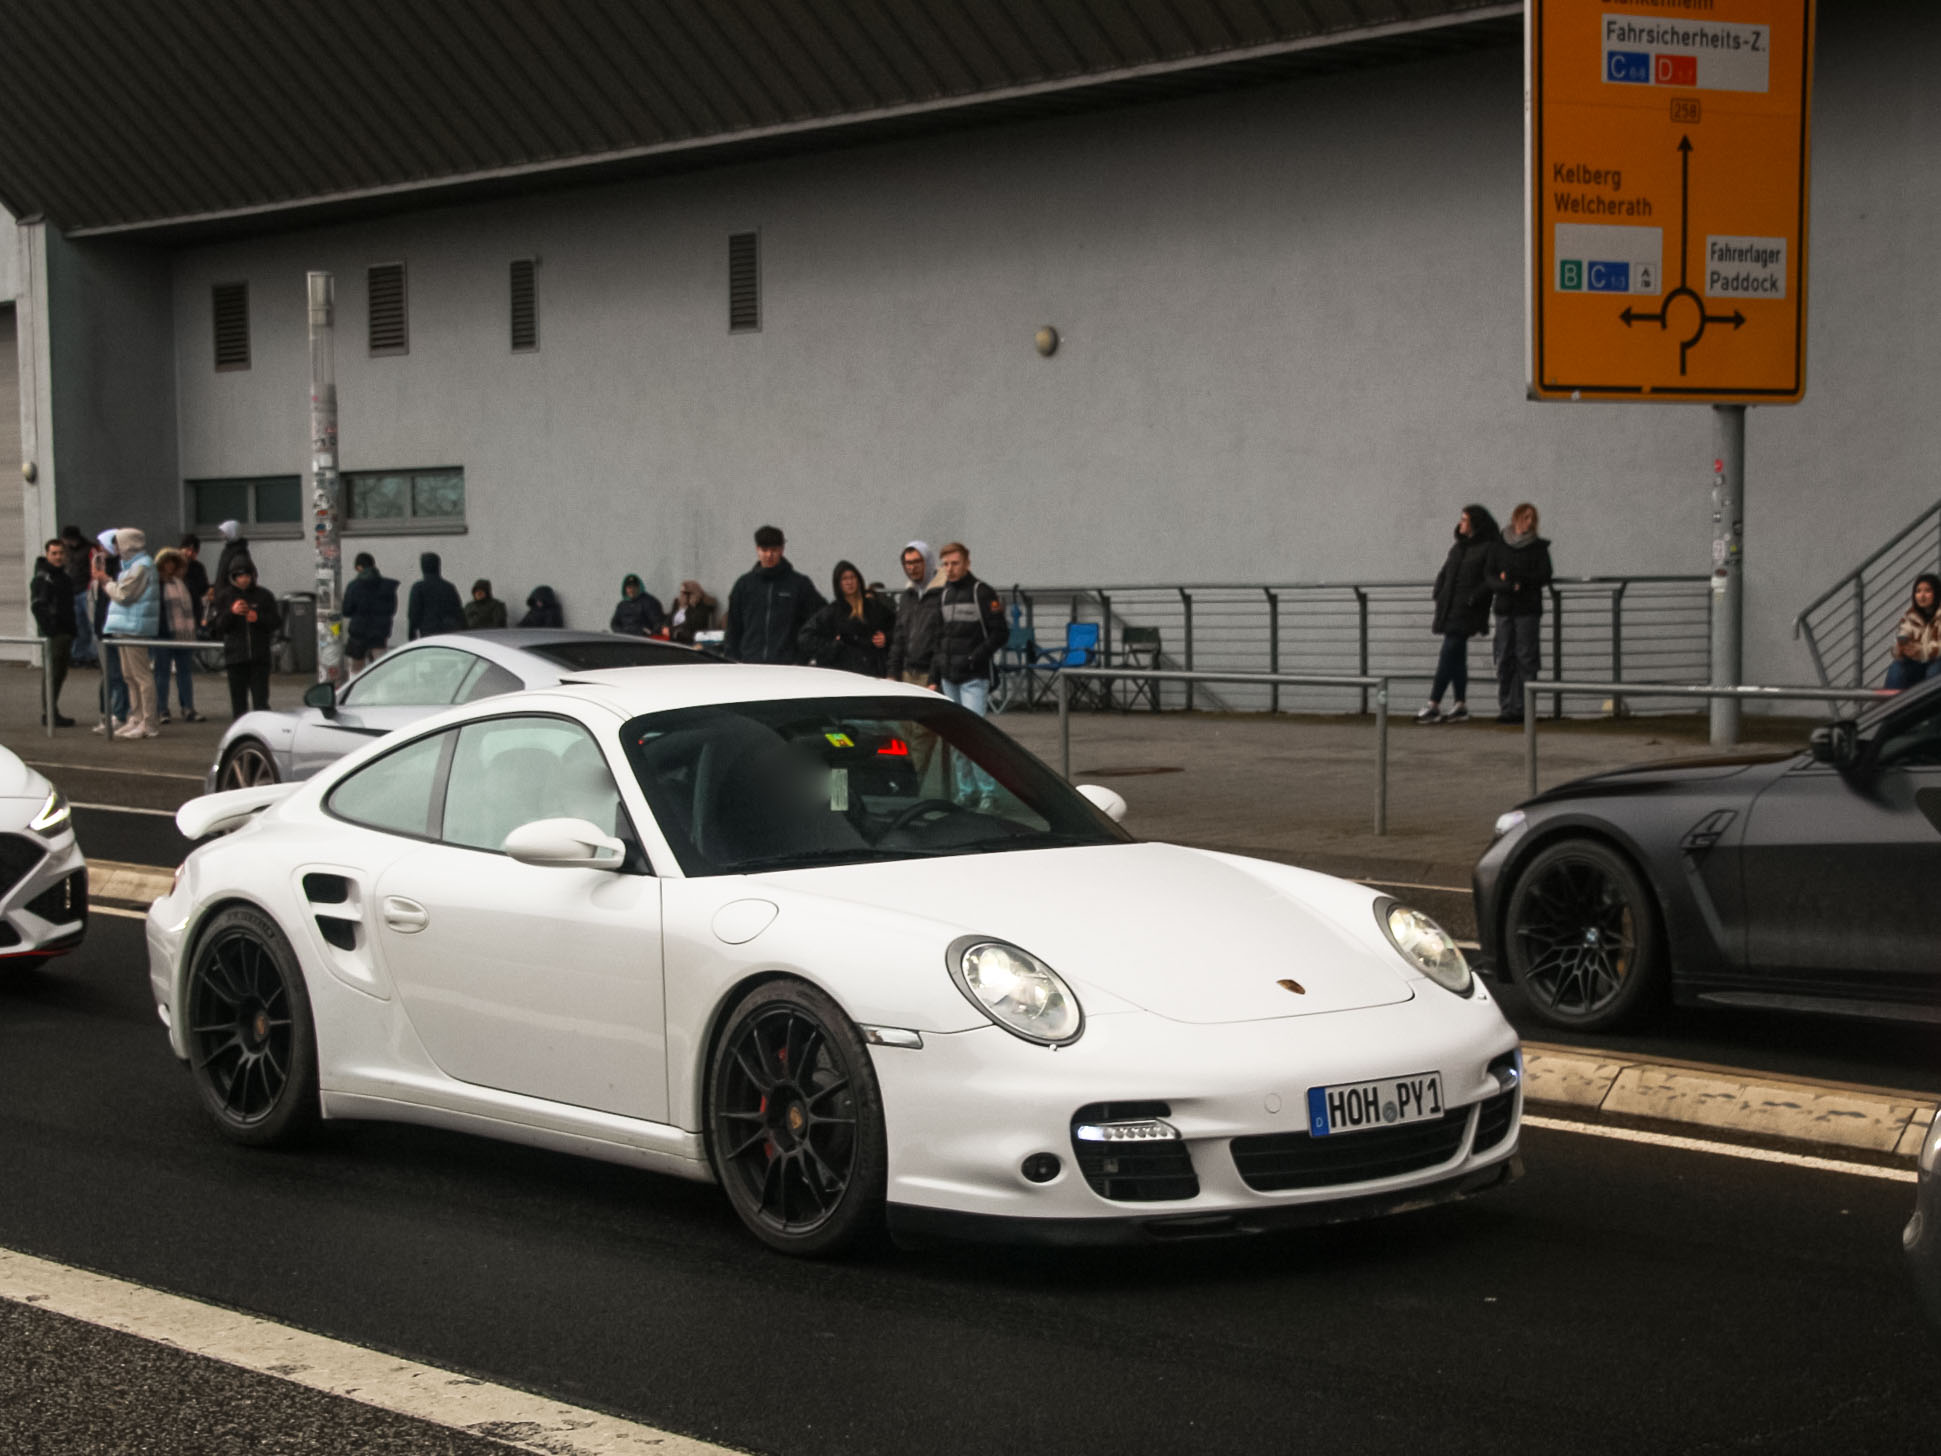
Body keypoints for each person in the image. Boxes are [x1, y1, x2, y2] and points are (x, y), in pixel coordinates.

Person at [930, 542, 1008, 805]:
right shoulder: (943, 595)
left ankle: (988, 792)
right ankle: (966, 791)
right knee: (956, 738)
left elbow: (1000, 632)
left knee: (975, 736)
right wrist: (935, 675)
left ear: (967, 563)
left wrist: (975, 657)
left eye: (955, 563)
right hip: (949, 676)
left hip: (974, 677)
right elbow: (939, 638)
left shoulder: (981, 592)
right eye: (946, 564)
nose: (950, 569)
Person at [1418, 505, 1500, 724]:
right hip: (1450, 607)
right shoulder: (1458, 547)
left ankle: (1434, 703)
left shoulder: (1488, 548)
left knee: (1448, 652)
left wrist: (1474, 598)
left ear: (1474, 523)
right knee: (1456, 656)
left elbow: (1489, 578)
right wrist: (1439, 592)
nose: (1460, 523)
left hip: (1467, 609)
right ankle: (1460, 704)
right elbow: (1445, 572)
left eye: (1465, 519)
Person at [1487, 502, 1555, 723]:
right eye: (1526, 517)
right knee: (1505, 656)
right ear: (1516, 518)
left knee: (1526, 658)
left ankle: (1524, 708)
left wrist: (1519, 579)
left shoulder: (1538, 547)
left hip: (1527, 608)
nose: (1529, 522)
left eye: (1532, 518)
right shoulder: (1499, 546)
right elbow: (1489, 575)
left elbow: (1545, 574)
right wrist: (1506, 584)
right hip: (1505, 607)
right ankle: (1507, 707)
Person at [723, 525, 825, 664]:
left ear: (782, 550)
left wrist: (802, 657)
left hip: (787, 665)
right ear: (757, 550)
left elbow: (819, 620)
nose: (769, 555)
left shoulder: (799, 584)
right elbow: (733, 627)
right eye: (764, 550)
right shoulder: (744, 585)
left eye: (774, 550)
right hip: (750, 664)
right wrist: (732, 660)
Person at [97, 527, 162, 739]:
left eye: (117, 542)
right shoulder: (131, 566)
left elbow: (125, 594)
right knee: (129, 675)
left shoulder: (142, 566)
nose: (114, 547)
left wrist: (106, 582)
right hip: (125, 627)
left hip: (135, 627)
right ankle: (136, 717)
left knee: (141, 676)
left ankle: (149, 722)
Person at [800, 560, 895, 676]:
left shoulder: (874, 607)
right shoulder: (832, 612)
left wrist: (886, 637)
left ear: (859, 580)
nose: (849, 582)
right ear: (838, 583)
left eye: (852, 577)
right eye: (844, 579)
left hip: (873, 672)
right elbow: (806, 637)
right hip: (844, 674)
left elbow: (898, 628)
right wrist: (833, 646)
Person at [212, 558, 280, 716]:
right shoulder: (225, 597)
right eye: (240, 576)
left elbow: (276, 622)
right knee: (238, 703)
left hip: (259, 657)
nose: (244, 580)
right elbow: (218, 627)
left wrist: (258, 618)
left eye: (247, 576)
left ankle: (261, 727)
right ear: (233, 577)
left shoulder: (264, 595)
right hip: (235, 658)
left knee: (260, 702)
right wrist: (232, 612)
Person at [150, 547, 204, 723]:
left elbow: (196, 606)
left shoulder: (185, 584)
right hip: (162, 633)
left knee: (185, 672)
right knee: (162, 673)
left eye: (173, 562)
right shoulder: (155, 585)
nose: (170, 566)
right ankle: (162, 709)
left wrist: (195, 625)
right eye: (167, 562)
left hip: (183, 634)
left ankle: (188, 707)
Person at [30, 539, 77, 726]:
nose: (58, 557)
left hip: (65, 631)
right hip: (54, 633)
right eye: (54, 553)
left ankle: (52, 711)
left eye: (61, 553)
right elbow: (38, 605)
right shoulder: (44, 578)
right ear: (47, 554)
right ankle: (49, 713)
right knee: (53, 673)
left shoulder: (63, 577)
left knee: (59, 673)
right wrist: (50, 628)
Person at [887, 540, 944, 688]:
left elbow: (942, 640)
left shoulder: (943, 593)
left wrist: (934, 679)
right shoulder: (908, 596)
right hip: (907, 673)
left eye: (917, 562)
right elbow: (899, 638)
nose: (912, 568)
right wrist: (892, 673)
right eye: (908, 563)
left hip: (931, 674)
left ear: (928, 561)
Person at [89, 529, 128, 729]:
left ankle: (118, 714)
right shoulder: (104, 567)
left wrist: (104, 578)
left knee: (117, 674)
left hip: (114, 627)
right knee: (110, 674)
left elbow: (118, 595)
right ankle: (106, 712)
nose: (100, 551)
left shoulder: (120, 568)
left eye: (103, 546)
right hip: (102, 627)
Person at [342, 552, 399, 671]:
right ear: (373, 565)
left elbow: (346, 610)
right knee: (381, 667)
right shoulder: (387, 586)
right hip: (379, 633)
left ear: (359, 567)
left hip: (358, 633)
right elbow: (392, 609)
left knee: (357, 669)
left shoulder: (354, 586)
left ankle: (357, 683)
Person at [1886, 573, 1941, 691]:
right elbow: (1902, 637)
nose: (1922, 596)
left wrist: (1921, 651)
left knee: (1934, 670)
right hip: (1918, 662)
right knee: (1897, 668)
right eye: (1918, 591)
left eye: (1927, 591)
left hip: (1937, 660)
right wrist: (1901, 650)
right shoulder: (1910, 616)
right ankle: (1891, 702)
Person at [61, 525, 97, 667]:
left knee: (91, 624)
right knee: (78, 625)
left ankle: (92, 655)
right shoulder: (67, 550)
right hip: (73, 591)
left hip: (85, 591)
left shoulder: (89, 549)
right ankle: (79, 655)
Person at [406, 552, 465, 638]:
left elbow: (413, 614)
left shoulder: (418, 587)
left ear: (422, 567)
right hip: (449, 631)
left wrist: (411, 634)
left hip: (428, 632)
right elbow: (458, 612)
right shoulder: (449, 587)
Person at [212, 519, 251, 590]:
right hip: (224, 591)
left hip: (230, 592)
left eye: (225, 533)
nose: (223, 536)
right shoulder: (228, 550)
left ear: (232, 533)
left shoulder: (238, 552)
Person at [179, 533, 210, 607]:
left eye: (194, 551)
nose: (190, 553)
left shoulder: (199, 567)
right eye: (188, 549)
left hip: (194, 607)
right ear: (181, 549)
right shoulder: (172, 565)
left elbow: (204, 589)